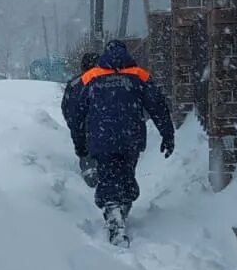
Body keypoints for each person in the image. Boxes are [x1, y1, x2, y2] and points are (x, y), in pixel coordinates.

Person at [63, 39, 175, 245]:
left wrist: (80, 145)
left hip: (101, 138)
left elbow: (76, 114)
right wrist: (168, 135)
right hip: (131, 137)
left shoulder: (90, 78)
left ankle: (113, 209)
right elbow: (158, 107)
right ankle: (122, 204)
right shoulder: (139, 76)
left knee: (108, 174)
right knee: (126, 172)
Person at [60, 50, 99, 187]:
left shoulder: (74, 83)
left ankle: (89, 181)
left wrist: (74, 126)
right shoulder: (107, 80)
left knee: (87, 160)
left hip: (82, 130)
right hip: (106, 132)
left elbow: (66, 109)